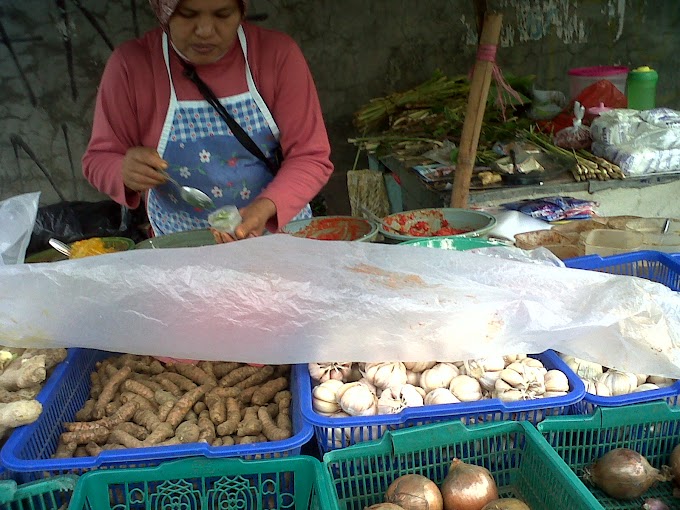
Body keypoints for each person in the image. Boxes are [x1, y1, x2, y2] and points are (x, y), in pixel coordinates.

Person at [82, 0, 334, 242]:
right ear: (163, 10)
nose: (205, 31)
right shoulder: (132, 65)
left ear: (241, 10)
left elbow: (310, 156)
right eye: (188, 15)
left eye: (222, 14)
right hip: (182, 246)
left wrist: (265, 207)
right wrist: (123, 171)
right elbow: (99, 158)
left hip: (276, 236)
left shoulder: (277, 55)